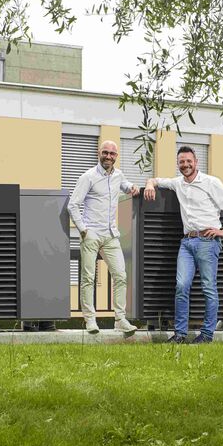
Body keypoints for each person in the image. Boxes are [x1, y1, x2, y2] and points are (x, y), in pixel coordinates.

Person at [143, 146, 223, 344]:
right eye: (181, 162)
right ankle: (180, 334)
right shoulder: (178, 183)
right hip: (186, 242)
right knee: (181, 286)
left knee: (208, 288)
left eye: (188, 161)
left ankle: (206, 335)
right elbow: (155, 180)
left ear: (196, 162)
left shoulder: (210, 182)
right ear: (178, 164)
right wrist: (150, 185)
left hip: (207, 241)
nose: (185, 165)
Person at [68, 140, 141, 335]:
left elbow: (124, 186)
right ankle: (90, 320)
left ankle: (120, 319)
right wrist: (83, 230)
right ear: (99, 153)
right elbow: (73, 205)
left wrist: (133, 186)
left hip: (111, 235)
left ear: (116, 156)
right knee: (88, 278)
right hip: (91, 234)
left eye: (112, 154)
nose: (108, 156)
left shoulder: (118, 175)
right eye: (105, 152)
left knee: (121, 276)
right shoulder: (88, 177)